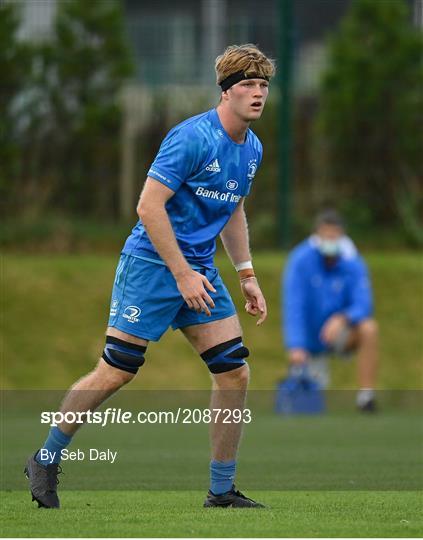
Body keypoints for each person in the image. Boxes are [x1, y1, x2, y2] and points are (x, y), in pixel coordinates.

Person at [25, 44, 276, 509]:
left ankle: (221, 492)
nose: (257, 94)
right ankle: (45, 457)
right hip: (152, 266)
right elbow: (148, 206)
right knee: (117, 370)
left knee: (234, 372)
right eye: (247, 85)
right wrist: (180, 273)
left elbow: (234, 207)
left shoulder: (253, 148)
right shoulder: (192, 138)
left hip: (197, 271)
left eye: (263, 86)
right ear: (225, 92)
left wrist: (246, 274)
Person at [282, 209, 379, 411]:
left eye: (335, 236)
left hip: (339, 334)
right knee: (308, 405)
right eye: (326, 235)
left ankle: (366, 397)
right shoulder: (300, 260)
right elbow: (294, 305)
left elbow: (364, 303)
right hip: (309, 338)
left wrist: (343, 318)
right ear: (316, 235)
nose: (331, 240)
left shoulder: (353, 261)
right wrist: (296, 345)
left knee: (369, 328)